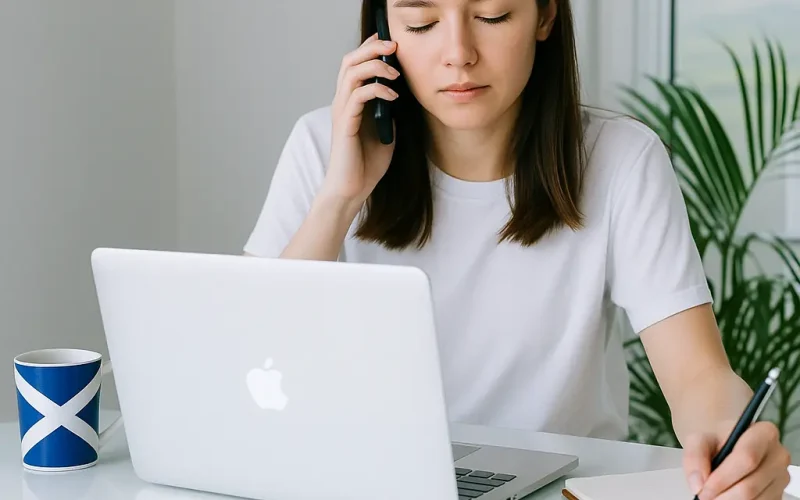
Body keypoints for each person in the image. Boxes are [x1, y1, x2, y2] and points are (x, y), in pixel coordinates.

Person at [243, 0, 792, 498]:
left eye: (493, 16)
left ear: (545, 16)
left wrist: (728, 440)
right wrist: (339, 199)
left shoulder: (621, 161)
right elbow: (249, 368)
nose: (459, 55)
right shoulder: (323, 147)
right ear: (384, 32)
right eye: (422, 23)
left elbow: (698, 375)